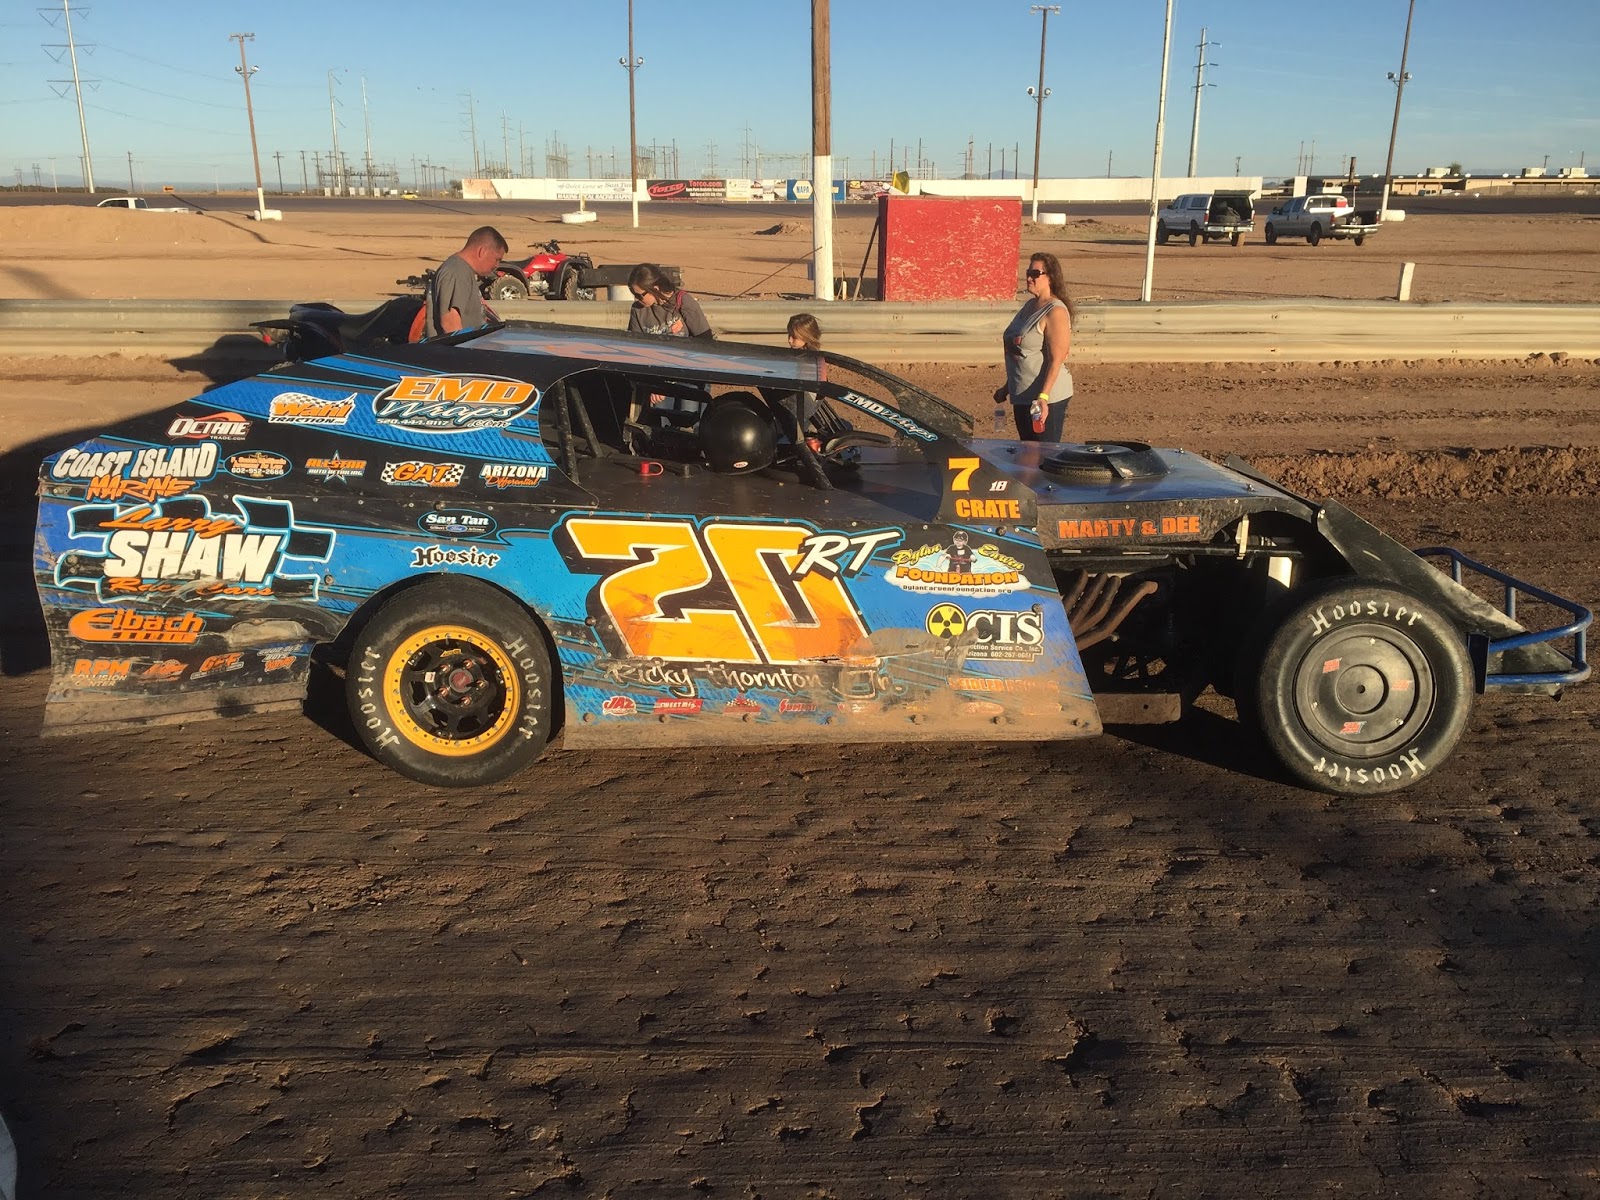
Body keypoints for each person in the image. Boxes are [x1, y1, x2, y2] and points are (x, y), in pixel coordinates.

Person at [993, 250, 1074, 441]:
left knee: (1044, 453)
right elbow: (1022, 354)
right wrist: (1007, 387)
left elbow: (1056, 360)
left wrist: (1043, 397)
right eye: (1028, 273)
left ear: (1051, 277)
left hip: (1046, 399)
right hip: (1021, 394)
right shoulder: (1029, 306)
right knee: (1028, 451)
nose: (1029, 278)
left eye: (1035, 274)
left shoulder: (1055, 312)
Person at [425, 226, 507, 338]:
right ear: (482, 251)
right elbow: (450, 323)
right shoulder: (457, 272)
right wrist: (464, 348)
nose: (496, 265)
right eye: (497, 259)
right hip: (457, 348)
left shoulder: (463, 271)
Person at [627, 263, 712, 338]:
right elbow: (635, 343)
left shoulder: (683, 301)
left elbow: (705, 339)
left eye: (639, 295)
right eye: (633, 294)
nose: (636, 298)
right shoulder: (637, 310)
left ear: (655, 289)